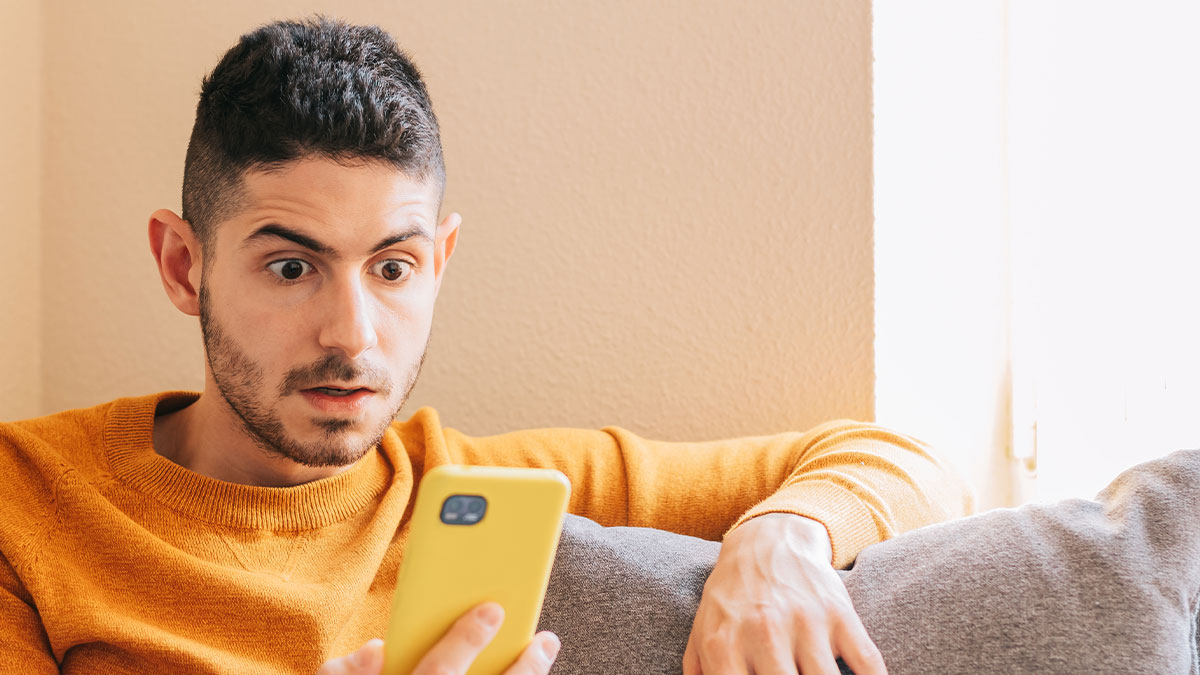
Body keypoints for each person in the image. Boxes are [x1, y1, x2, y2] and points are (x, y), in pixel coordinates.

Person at [0, 17, 971, 675]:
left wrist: (778, 539)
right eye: (291, 269)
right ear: (184, 265)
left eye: (393, 267)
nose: (353, 335)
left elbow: (904, 465)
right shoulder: (28, 504)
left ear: (441, 260)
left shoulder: (483, 491)